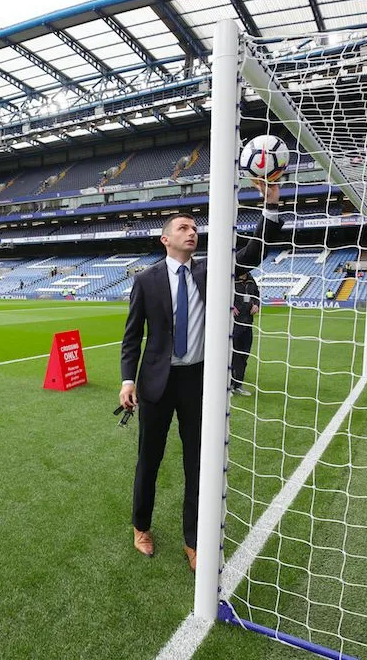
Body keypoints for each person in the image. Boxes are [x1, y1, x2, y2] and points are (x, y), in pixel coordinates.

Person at [119, 180, 284, 572]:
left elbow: (255, 251)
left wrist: (271, 203)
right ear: (165, 240)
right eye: (183, 228)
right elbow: (132, 338)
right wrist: (128, 380)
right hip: (156, 384)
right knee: (149, 460)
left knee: (199, 463)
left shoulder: (212, 270)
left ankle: (193, 540)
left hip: (198, 383)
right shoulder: (146, 280)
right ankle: (141, 526)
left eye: (195, 228)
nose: (191, 232)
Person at [231, 270, 260, 396]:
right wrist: (230, 306)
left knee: (244, 355)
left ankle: (238, 385)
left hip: (247, 323)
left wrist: (257, 305)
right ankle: (228, 385)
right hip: (233, 324)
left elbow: (256, 295)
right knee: (232, 355)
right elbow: (219, 295)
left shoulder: (251, 280)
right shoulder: (231, 278)